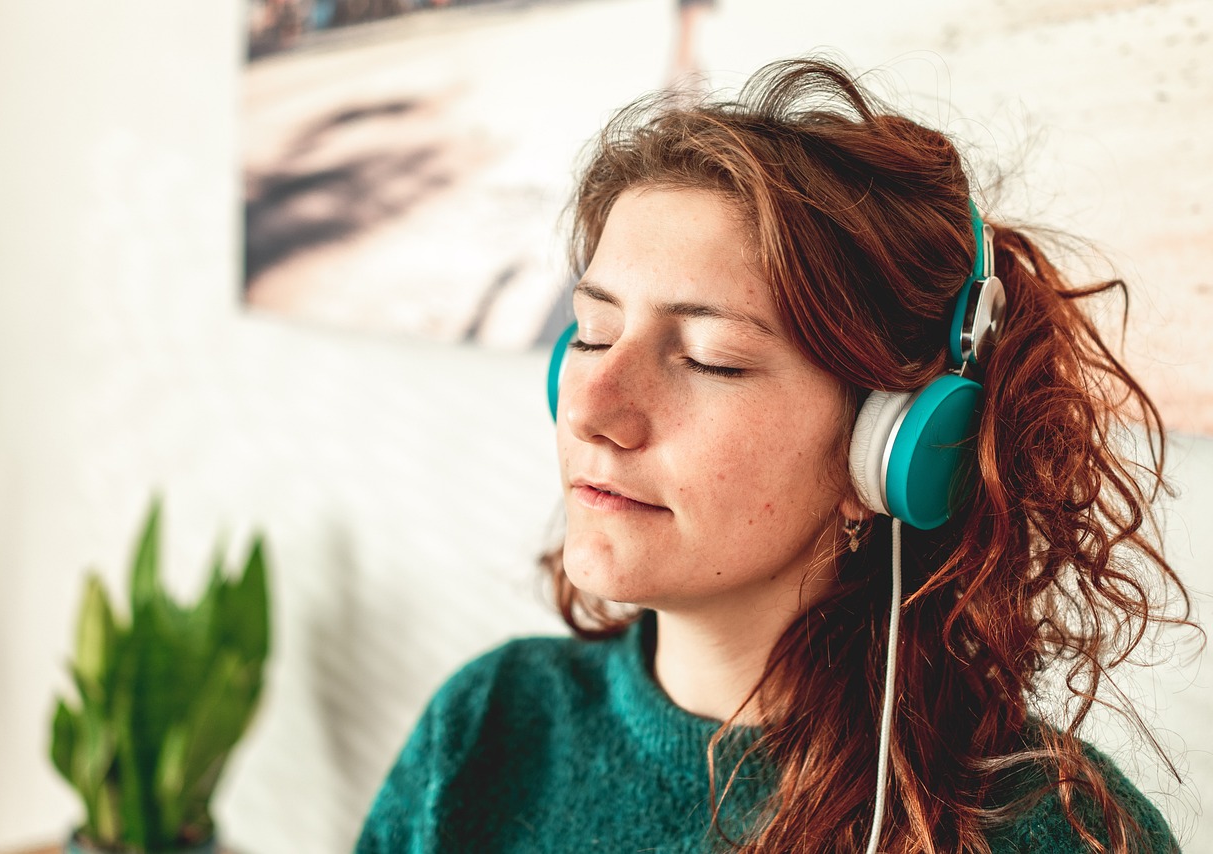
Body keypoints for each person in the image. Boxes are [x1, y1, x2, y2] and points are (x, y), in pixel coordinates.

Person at [355, 57, 1192, 853]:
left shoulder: (1053, 833)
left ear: (895, 447)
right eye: (595, 332)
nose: (592, 410)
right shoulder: (488, 726)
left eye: (711, 358)